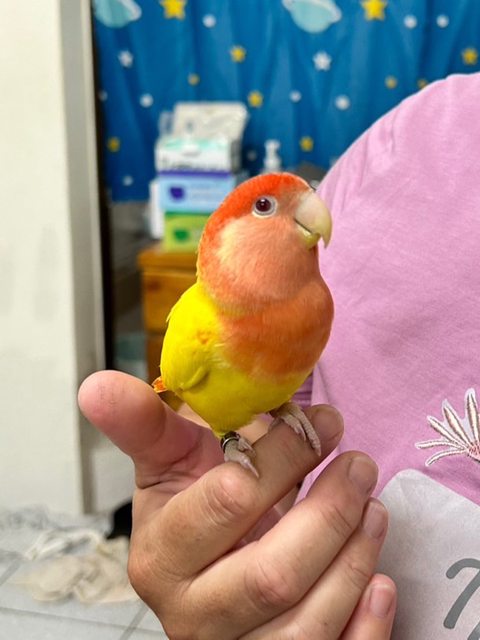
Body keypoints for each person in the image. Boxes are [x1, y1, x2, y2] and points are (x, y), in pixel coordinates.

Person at [79, 72, 480, 639]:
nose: (311, 212)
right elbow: (193, 396)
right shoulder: (411, 133)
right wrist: (215, 500)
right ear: (224, 241)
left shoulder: (318, 302)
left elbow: (305, 380)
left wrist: (286, 407)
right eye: (267, 206)